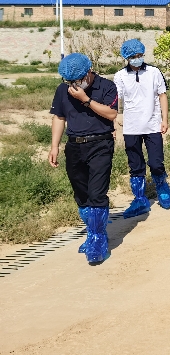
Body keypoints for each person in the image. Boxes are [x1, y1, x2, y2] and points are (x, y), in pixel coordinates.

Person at [48, 54, 118, 264]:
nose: (74, 84)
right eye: (69, 81)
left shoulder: (106, 86)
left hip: (100, 144)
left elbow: (111, 114)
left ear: (89, 72)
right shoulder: (63, 90)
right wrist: (54, 146)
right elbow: (59, 117)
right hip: (74, 146)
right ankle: (92, 232)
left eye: (78, 79)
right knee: (81, 194)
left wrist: (85, 100)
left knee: (97, 194)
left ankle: (97, 240)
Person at [114, 39, 170, 218]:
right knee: (135, 165)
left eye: (140, 55)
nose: (137, 59)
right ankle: (140, 199)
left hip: (153, 124)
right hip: (131, 127)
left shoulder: (154, 72)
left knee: (156, 162)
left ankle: (162, 187)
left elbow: (162, 96)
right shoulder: (120, 76)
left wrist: (165, 119)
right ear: (126, 58)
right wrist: (114, 123)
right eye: (133, 56)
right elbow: (116, 101)